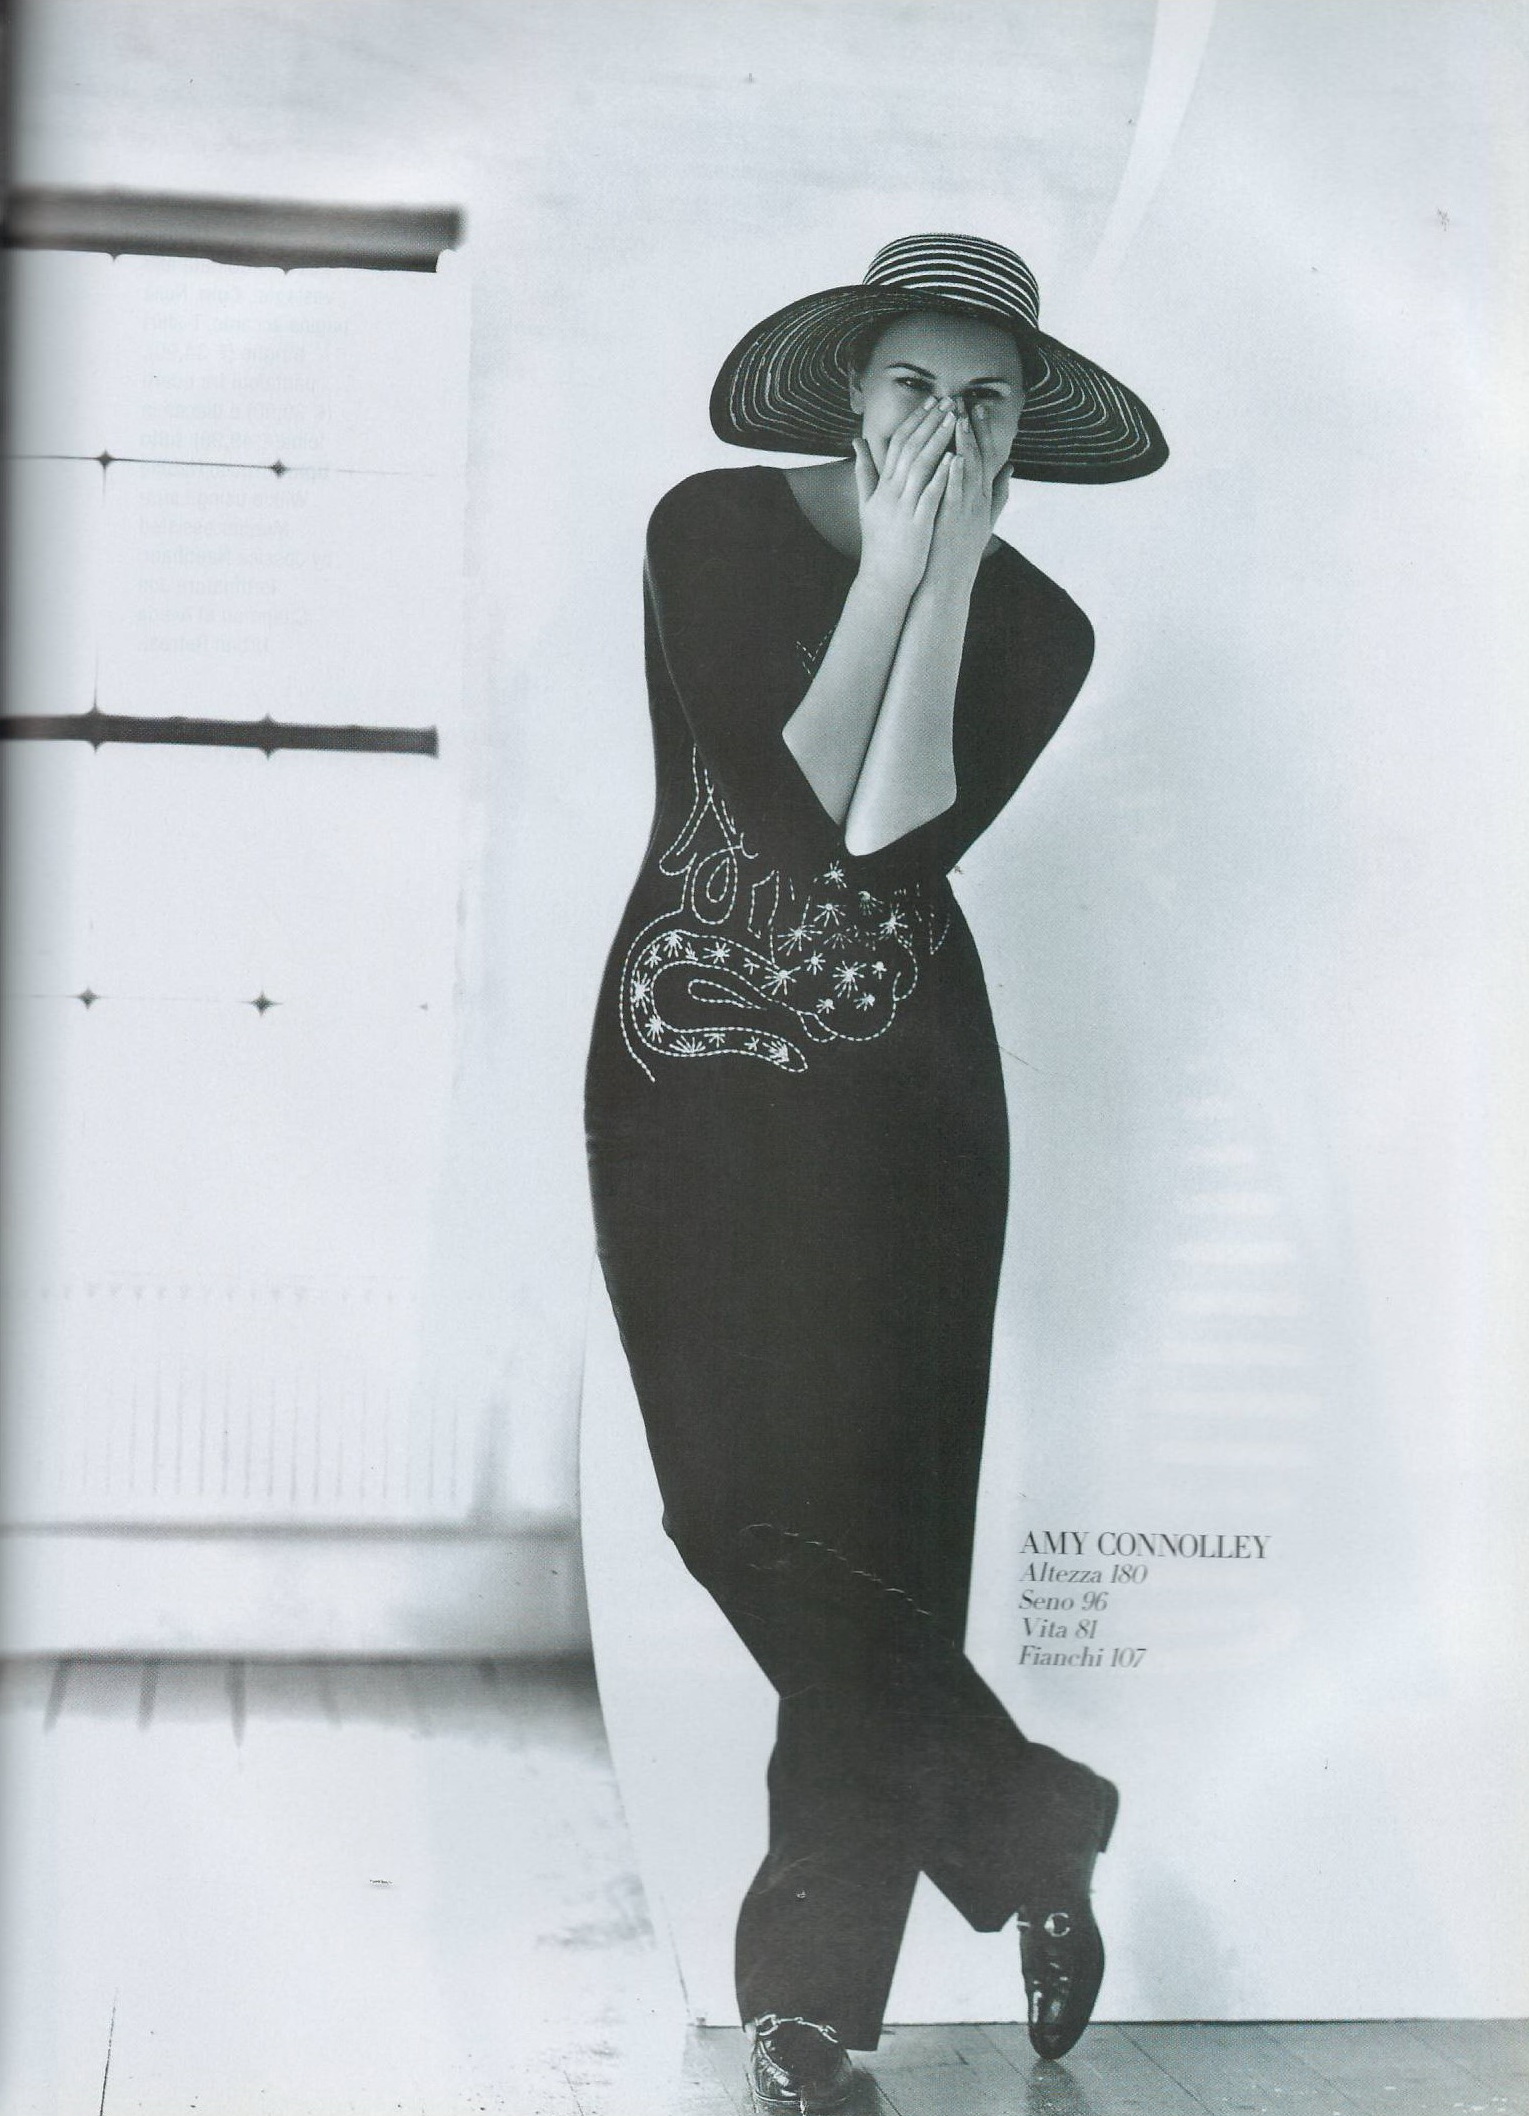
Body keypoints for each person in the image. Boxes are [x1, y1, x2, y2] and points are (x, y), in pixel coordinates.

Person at [584, 233, 1167, 2112]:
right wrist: (891, 574)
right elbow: (774, 811)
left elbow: (888, 848)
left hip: (907, 1111)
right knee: (730, 1512)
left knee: (883, 1548)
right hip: (683, 1064)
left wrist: (949, 578)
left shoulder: (1043, 626)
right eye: (912, 385)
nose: (944, 426)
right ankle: (1030, 1817)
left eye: (985, 403)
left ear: (1026, 433)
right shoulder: (707, 529)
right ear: (848, 388)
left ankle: (811, 2008)